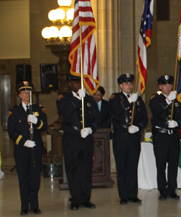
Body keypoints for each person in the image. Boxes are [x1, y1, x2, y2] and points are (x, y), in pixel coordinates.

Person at [57, 74, 100, 211]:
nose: (77, 85)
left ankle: (85, 198)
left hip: (86, 137)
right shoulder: (64, 98)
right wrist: (77, 99)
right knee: (73, 169)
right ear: (70, 83)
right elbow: (65, 113)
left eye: (79, 82)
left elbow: (97, 118)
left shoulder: (89, 99)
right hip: (72, 137)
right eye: (75, 82)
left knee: (86, 169)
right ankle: (75, 198)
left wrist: (90, 129)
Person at [8, 81, 47, 215]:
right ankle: (24, 206)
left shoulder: (38, 109)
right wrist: (24, 142)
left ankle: (35, 205)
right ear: (19, 95)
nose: (27, 94)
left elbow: (44, 126)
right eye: (24, 92)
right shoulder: (14, 111)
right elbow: (11, 131)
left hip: (35, 148)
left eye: (29, 91)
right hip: (22, 149)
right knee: (23, 177)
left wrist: (37, 122)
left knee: (35, 177)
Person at [109, 73, 148, 205]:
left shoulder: (138, 99)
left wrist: (138, 127)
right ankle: (123, 196)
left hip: (134, 137)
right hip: (120, 136)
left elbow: (144, 118)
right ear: (120, 85)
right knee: (122, 167)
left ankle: (133, 195)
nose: (129, 85)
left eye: (130, 83)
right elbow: (116, 112)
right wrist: (128, 103)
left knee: (132, 166)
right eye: (126, 83)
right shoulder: (115, 98)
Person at [149, 75, 181, 201]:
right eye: (165, 85)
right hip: (161, 136)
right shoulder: (155, 99)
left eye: (170, 85)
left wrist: (177, 124)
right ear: (160, 86)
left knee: (173, 164)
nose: (168, 87)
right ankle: (162, 190)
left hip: (173, 136)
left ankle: (172, 190)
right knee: (161, 165)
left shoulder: (177, 101)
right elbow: (156, 110)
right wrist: (167, 101)